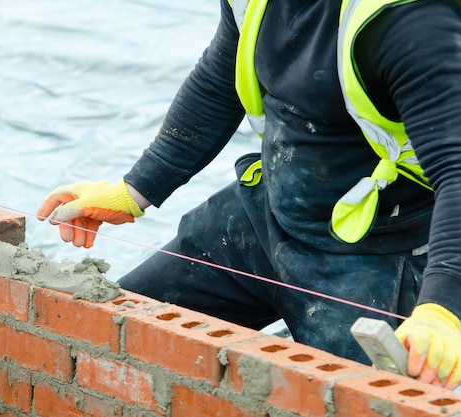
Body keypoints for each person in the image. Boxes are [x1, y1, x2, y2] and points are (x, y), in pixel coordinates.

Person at [38, 0, 461, 389]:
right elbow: (216, 83)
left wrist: (443, 307)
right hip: (265, 217)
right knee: (119, 332)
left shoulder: (407, 23)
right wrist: (135, 191)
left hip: (376, 251)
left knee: (370, 397)